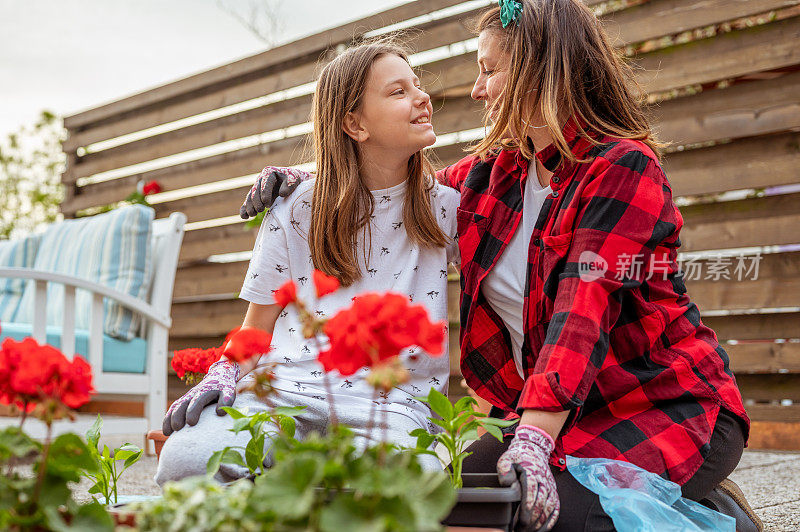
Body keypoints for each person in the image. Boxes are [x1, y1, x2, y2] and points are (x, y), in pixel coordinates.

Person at [239, 1, 762, 530]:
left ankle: (718, 515)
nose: (476, 89)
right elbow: (393, 186)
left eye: (490, 70)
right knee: (449, 509)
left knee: (537, 520)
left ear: (541, 69)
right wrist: (302, 174)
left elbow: (582, 311)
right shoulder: (496, 172)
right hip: (561, 410)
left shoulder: (623, 168)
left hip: (657, 402)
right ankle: (661, 498)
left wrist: (534, 439)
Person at [155, 40, 460, 485]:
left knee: (399, 482)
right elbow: (255, 328)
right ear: (353, 123)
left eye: (417, 85)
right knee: (187, 460)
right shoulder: (295, 206)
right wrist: (221, 371)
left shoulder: (448, 208)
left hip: (393, 407)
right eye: (398, 92)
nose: (422, 96)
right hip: (282, 396)